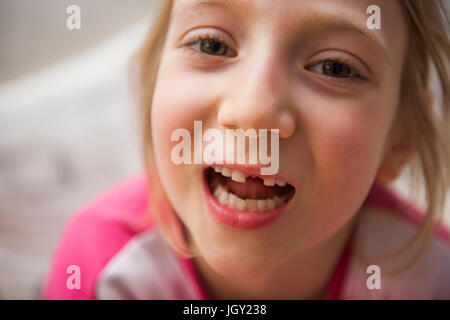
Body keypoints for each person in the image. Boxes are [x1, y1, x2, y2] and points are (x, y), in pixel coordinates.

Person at [43, 0, 450, 299]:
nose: (254, 111)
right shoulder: (103, 269)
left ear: (401, 139)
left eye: (335, 67)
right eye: (211, 45)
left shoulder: (431, 277)